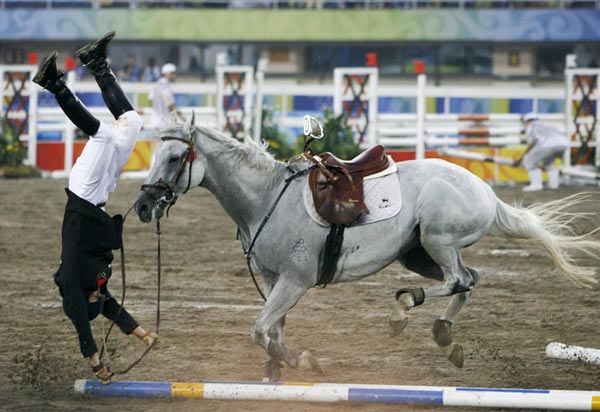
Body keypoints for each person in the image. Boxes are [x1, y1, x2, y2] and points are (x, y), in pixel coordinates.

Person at [32, 31, 158, 384]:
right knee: (132, 123)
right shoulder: (95, 292)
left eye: (95, 296)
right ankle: (96, 63)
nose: (99, 293)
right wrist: (142, 334)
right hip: (100, 193)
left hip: (82, 192)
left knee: (102, 135)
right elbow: (114, 311)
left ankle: (53, 84)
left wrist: (97, 365)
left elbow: (85, 337)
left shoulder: (73, 285)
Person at [513, 112, 570, 192]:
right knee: (548, 163)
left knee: (529, 160)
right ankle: (554, 184)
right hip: (564, 144)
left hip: (548, 145)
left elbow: (531, 144)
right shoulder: (546, 125)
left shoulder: (531, 126)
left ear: (527, 120)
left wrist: (521, 159)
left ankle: (536, 184)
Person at [148, 62, 185, 130]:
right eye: (173, 73)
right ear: (168, 74)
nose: (174, 75)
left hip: (154, 120)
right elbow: (170, 105)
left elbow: (150, 100)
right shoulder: (165, 86)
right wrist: (183, 119)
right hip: (163, 124)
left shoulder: (157, 84)